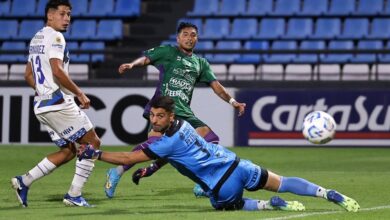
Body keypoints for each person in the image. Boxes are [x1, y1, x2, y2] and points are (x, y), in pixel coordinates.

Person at [79, 96, 360, 212]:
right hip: (238, 163)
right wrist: (152, 168)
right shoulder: (185, 125)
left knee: (226, 205)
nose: (154, 120)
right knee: (283, 180)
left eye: (159, 116)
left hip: (223, 183)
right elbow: (175, 155)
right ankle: (328, 193)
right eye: (152, 115)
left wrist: (95, 153)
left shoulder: (164, 142)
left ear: (169, 116)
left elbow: (128, 159)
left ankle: (268, 205)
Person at [104, 22, 246, 198]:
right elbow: (146, 59)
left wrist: (233, 102)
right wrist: (133, 65)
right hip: (163, 108)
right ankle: (116, 171)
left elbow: (216, 86)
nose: (189, 38)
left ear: (197, 38)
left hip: (184, 112)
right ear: (178, 38)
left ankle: (202, 183)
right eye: (185, 34)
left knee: (209, 139)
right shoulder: (168, 52)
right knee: (155, 146)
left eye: (193, 35)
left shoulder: (201, 63)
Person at [11, 0, 101, 207]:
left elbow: (27, 75)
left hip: (41, 105)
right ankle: (74, 195)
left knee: (69, 150)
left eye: (69, 14)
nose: (67, 19)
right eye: (62, 14)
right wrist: (79, 93)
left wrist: (43, 92)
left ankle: (24, 181)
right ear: (49, 16)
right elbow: (58, 71)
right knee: (92, 143)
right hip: (58, 102)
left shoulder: (36, 38)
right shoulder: (56, 37)